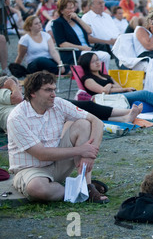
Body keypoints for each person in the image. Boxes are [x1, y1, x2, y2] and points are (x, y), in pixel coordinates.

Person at [7, 71, 109, 203]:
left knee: (84, 124)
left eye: (54, 89)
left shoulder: (58, 103)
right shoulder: (17, 117)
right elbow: (41, 154)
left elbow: (97, 122)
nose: (53, 94)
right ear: (32, 92)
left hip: (58, 163)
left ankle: (87, 185)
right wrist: (81, 150)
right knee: (37, 188)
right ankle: (77, 190)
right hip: (31, 170)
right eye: (48, 90)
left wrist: (89, 154)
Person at [0, 75, 143, 132]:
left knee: (84, 110)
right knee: (83, 111)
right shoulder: (4, 93)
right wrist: (12, 84)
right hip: (34, 116)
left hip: (39, 111)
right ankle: (125, 114)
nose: (19, 88)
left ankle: (124, 116)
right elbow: (17, 98)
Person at [79, 52, 153, 117]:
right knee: (145, 94)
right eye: (93, 61)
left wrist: (112, 86)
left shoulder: (106, 76)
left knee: (144, 100)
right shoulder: (88, 79)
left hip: (119, 96)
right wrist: (110, 85)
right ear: (86, 64)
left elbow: (119, 88)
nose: (98, 63)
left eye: (98, 59)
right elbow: (103, 91)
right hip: (108, 100)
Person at [51, 0, 111, 69]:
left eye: (73, 7)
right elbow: (62, 44)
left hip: (87, 49)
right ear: (62, 10)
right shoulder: (58, 23)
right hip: (74, 53)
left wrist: (78, 19)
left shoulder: (76, 19)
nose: (72, 10)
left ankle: (103, 77)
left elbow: (89, 31)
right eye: (69, 8)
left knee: (106, 56)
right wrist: (81, 48)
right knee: (98, 57)